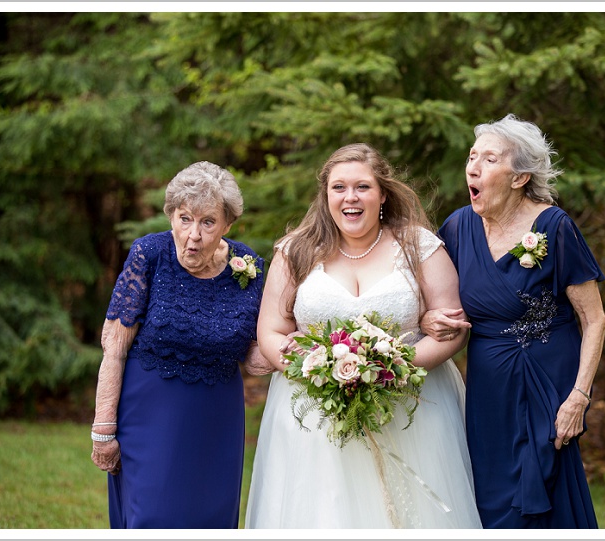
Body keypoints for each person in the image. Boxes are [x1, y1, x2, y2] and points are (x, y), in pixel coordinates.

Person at [244, 143, 482, 529]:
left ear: (382, 193)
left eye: (362, 187)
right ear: (326, 196)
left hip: (412, 407)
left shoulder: (418, 246)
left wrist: (391, 366)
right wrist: (300, 364)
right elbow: (270, 329)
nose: (350, 198)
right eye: (339, 188)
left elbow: (453, 330)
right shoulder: (296, 251)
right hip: (313, 411)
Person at [420, 114, 605, 528]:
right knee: (491, 490)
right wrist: (431, 316)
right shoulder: (456, 227)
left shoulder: (554, 228)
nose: (474, 167)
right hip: (488, 381)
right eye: (472, 157)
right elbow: (436, 301)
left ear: (520, 177)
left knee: (546, 481)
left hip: (548, 377)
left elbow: (594, 319)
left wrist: (579, 396)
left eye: (489, 159)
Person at [90, 161, 270, 528]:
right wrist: (103, 428)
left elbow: (250, 354)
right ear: (171, 215)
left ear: (227, 225)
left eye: (208, 222)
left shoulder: (247, 266)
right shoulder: (149, 254)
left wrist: (295, 351)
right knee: (152, 517)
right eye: (185, 218)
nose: (193, 235)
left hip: (217, 419)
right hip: (149, 414)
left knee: (210, 520)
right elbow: (115, 346)